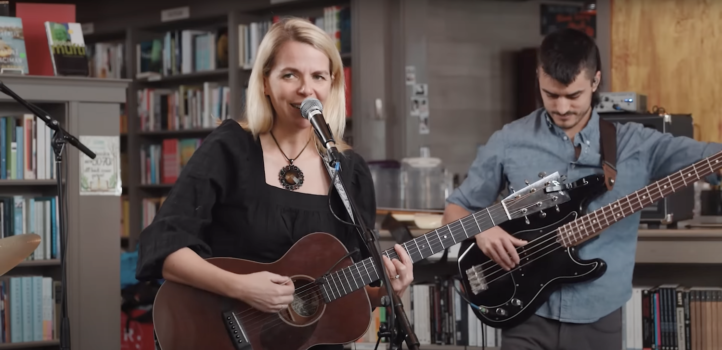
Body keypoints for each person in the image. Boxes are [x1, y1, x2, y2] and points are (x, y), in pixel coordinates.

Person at [135, 17, 414, 349]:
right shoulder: (230, 148)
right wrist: (241, 287)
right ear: (265, 83)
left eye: (318, 76)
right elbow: (163, 250)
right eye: (290, 74)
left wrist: (384, 289)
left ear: (332, 85)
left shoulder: (348, 171)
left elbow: (343, 301)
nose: (306, 89)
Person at [442, 28, 722, 350]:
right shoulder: (508, 141)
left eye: (573, 96)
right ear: (538, 77)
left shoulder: (638, 144)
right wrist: (483, 230)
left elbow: (709, 159)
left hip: (599, 316)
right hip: (526, 314)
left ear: (595, 81)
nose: (561, 107)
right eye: (550, 94)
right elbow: (455, 210)